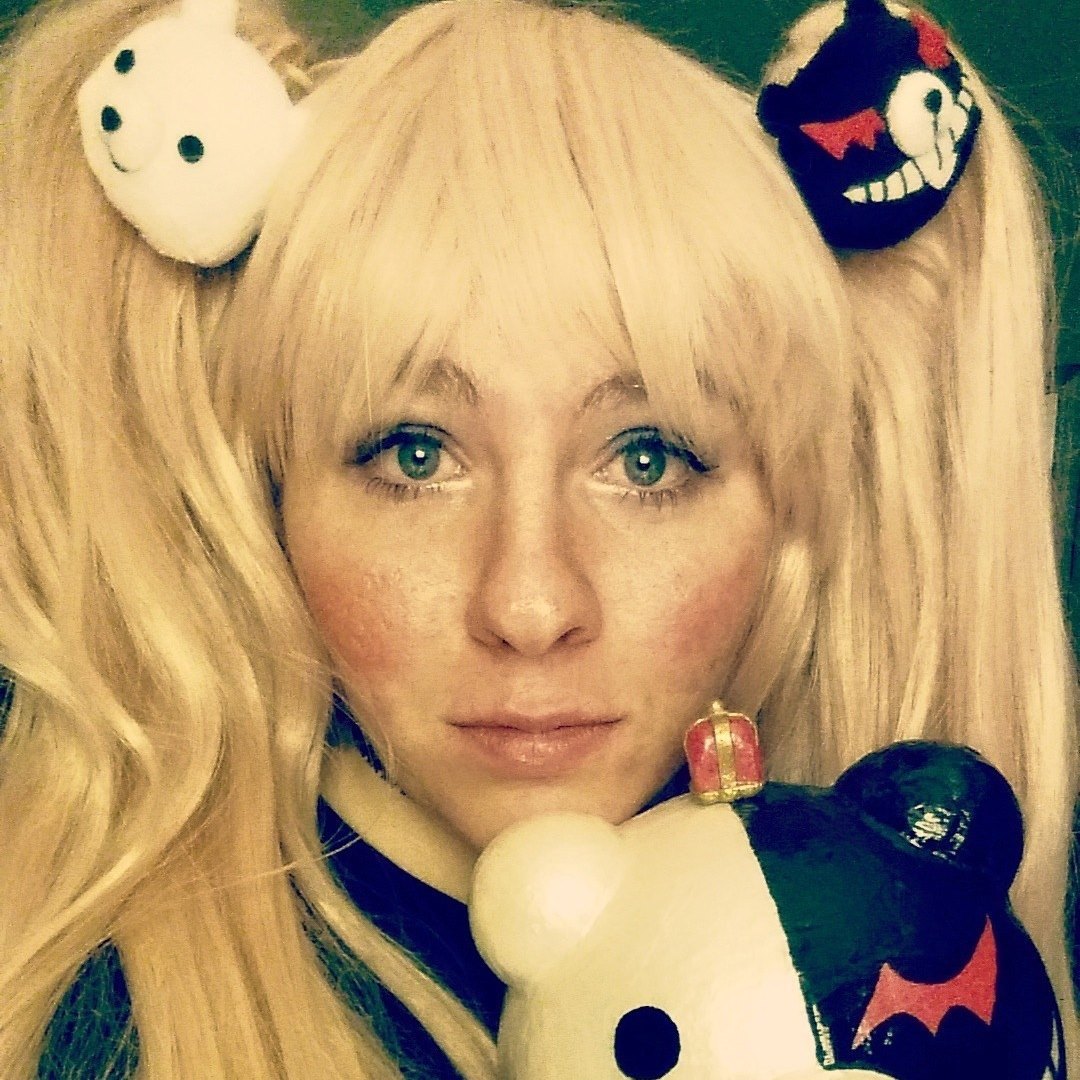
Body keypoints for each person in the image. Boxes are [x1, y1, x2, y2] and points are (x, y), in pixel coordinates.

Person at [0, 0, 1074, 1075]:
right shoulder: (97, 1036)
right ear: (272, 490)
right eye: (415, 455)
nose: (529, 605)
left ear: (789, 510)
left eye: (647, 459)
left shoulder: (895, 969)